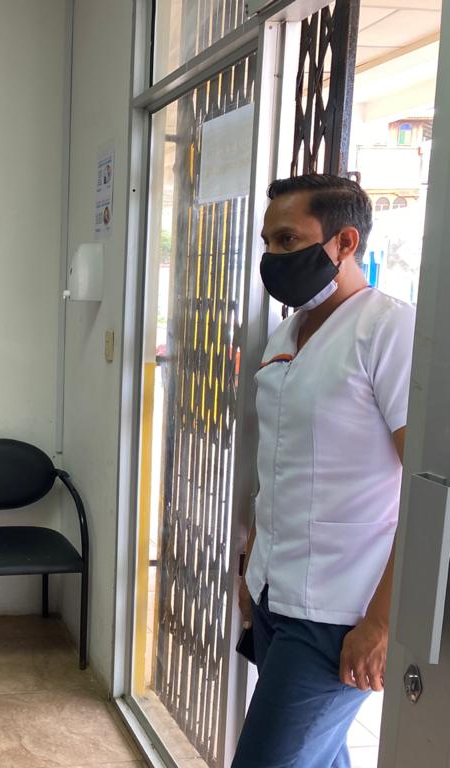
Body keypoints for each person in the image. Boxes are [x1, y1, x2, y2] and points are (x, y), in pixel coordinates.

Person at [233, 175, 414, 767]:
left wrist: (382, 622)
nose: (273, 257)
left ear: (345, 241)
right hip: (275, 595)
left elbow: (427, 490)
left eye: (288, 240)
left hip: (338, 613)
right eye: (268, 242)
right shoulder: (285, 334)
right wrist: (252, 566)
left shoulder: (388, 330)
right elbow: (279, 463)